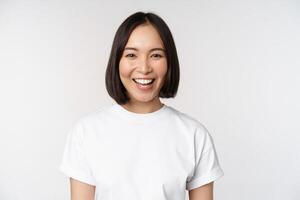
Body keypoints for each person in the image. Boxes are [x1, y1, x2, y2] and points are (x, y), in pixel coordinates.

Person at [59, 11, 224, 200]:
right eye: (131, 55)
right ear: (117, 62)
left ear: (169, 62)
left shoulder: (194, 135)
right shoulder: (86, 132)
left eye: (156, 55)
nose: (144, 68)